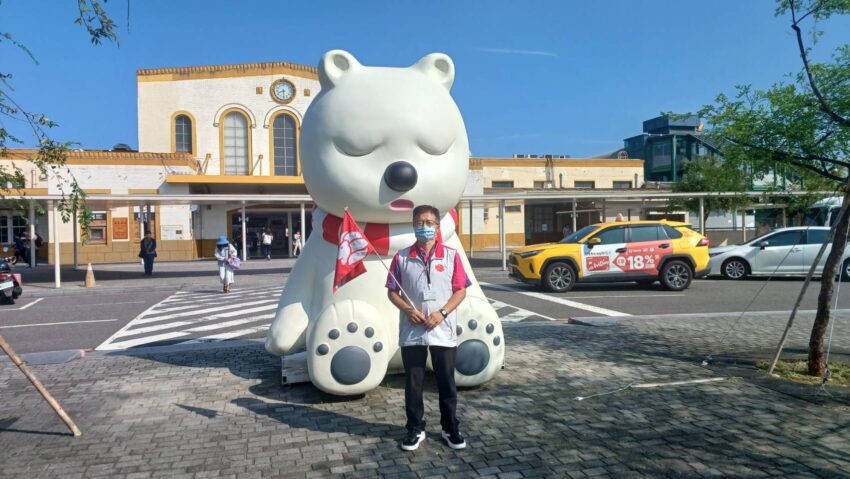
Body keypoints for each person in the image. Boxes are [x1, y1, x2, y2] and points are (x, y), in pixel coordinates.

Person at [386, 204, 470, 452]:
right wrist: (408, 310)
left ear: (437, 226)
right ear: (413, 226)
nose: (425, 227)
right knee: (413, 384)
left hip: (442, 329)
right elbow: (392, 292)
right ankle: (414, 428)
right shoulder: (401, 257)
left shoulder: (452, 255)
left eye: (429, 223)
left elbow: (461, 290)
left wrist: (442, 313)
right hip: (413, 331)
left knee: (446, 382)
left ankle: (449, 427)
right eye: (420, 223)